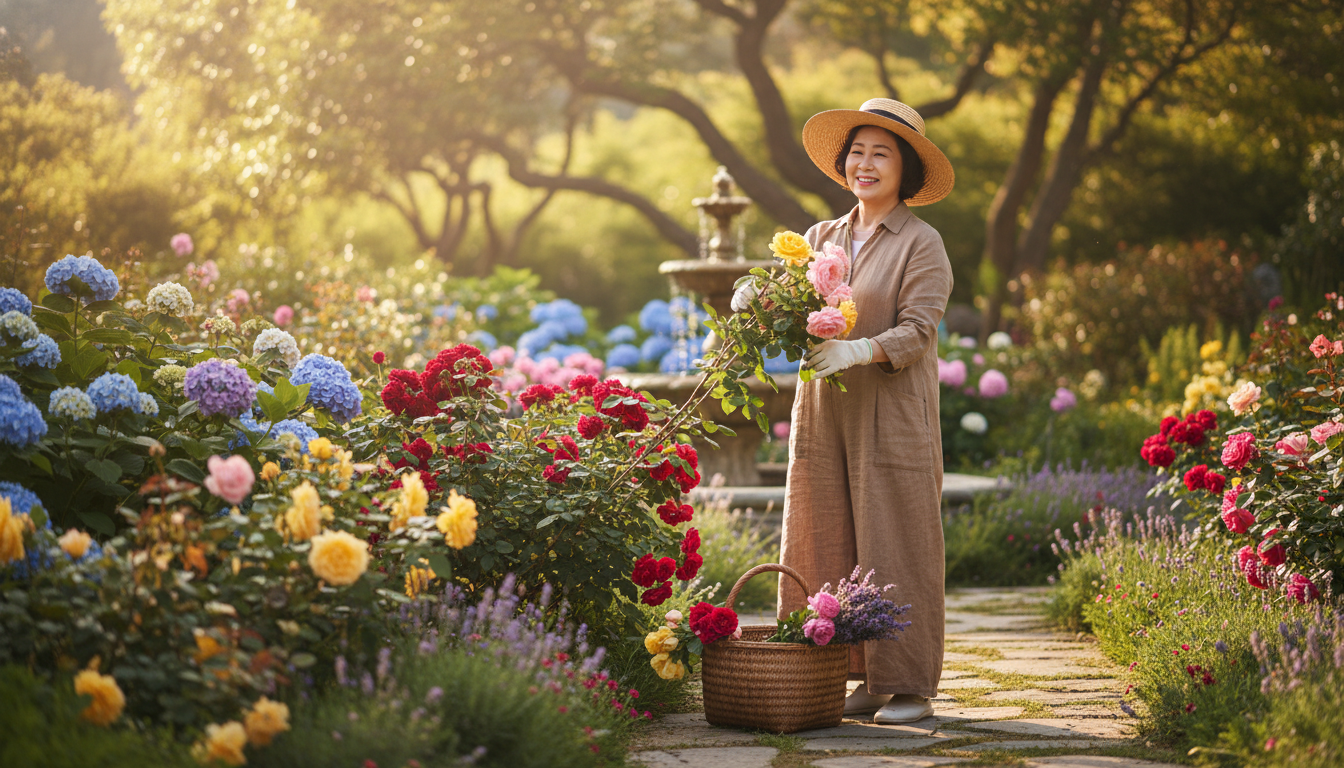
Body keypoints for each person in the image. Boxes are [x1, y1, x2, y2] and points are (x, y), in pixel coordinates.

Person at [732, 98, 954, 724]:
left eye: (881, 153)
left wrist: (860, 348)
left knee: (896, 538)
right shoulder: (820, 238)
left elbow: (918, 330)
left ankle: (909, 684)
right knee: (822, 534)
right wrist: (761, 297)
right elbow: (790, 302)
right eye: (857, 151)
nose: (865, 163)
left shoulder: (922, 242)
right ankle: (851, 671)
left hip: (891, 411)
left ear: (905, 169)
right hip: (824, 407)